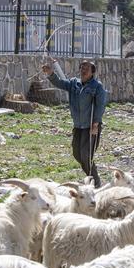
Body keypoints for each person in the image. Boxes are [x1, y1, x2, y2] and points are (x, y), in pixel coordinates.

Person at [41, 57, 107, 187]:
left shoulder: (97, 87)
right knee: (77, 153)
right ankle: (91, 177)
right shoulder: (73, 83)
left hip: (90, 126)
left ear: (92, 72)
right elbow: (60, 83)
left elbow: (100, 106)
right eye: (82, 67)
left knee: (86, 155)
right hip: (78, 126)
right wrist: (50, 73)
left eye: (87, 68)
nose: (83, 70)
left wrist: (96, 124)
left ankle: (95, 181)